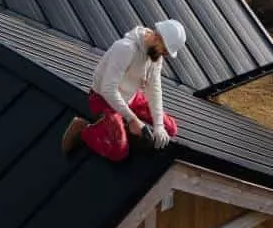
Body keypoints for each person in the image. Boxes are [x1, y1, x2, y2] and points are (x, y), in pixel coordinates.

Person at [61, 20, 186, 162]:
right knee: (118, 151)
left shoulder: (155, 56)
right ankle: (82, 129)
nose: (164, 54)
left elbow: (154, 90)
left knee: (170, 128)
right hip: (104, 99)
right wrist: (133, 119)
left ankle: (124, 125)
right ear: (157, 37)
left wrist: (159, 126)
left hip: (131, 97)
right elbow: (107, 89)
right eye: (165, 50)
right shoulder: (126, 49)